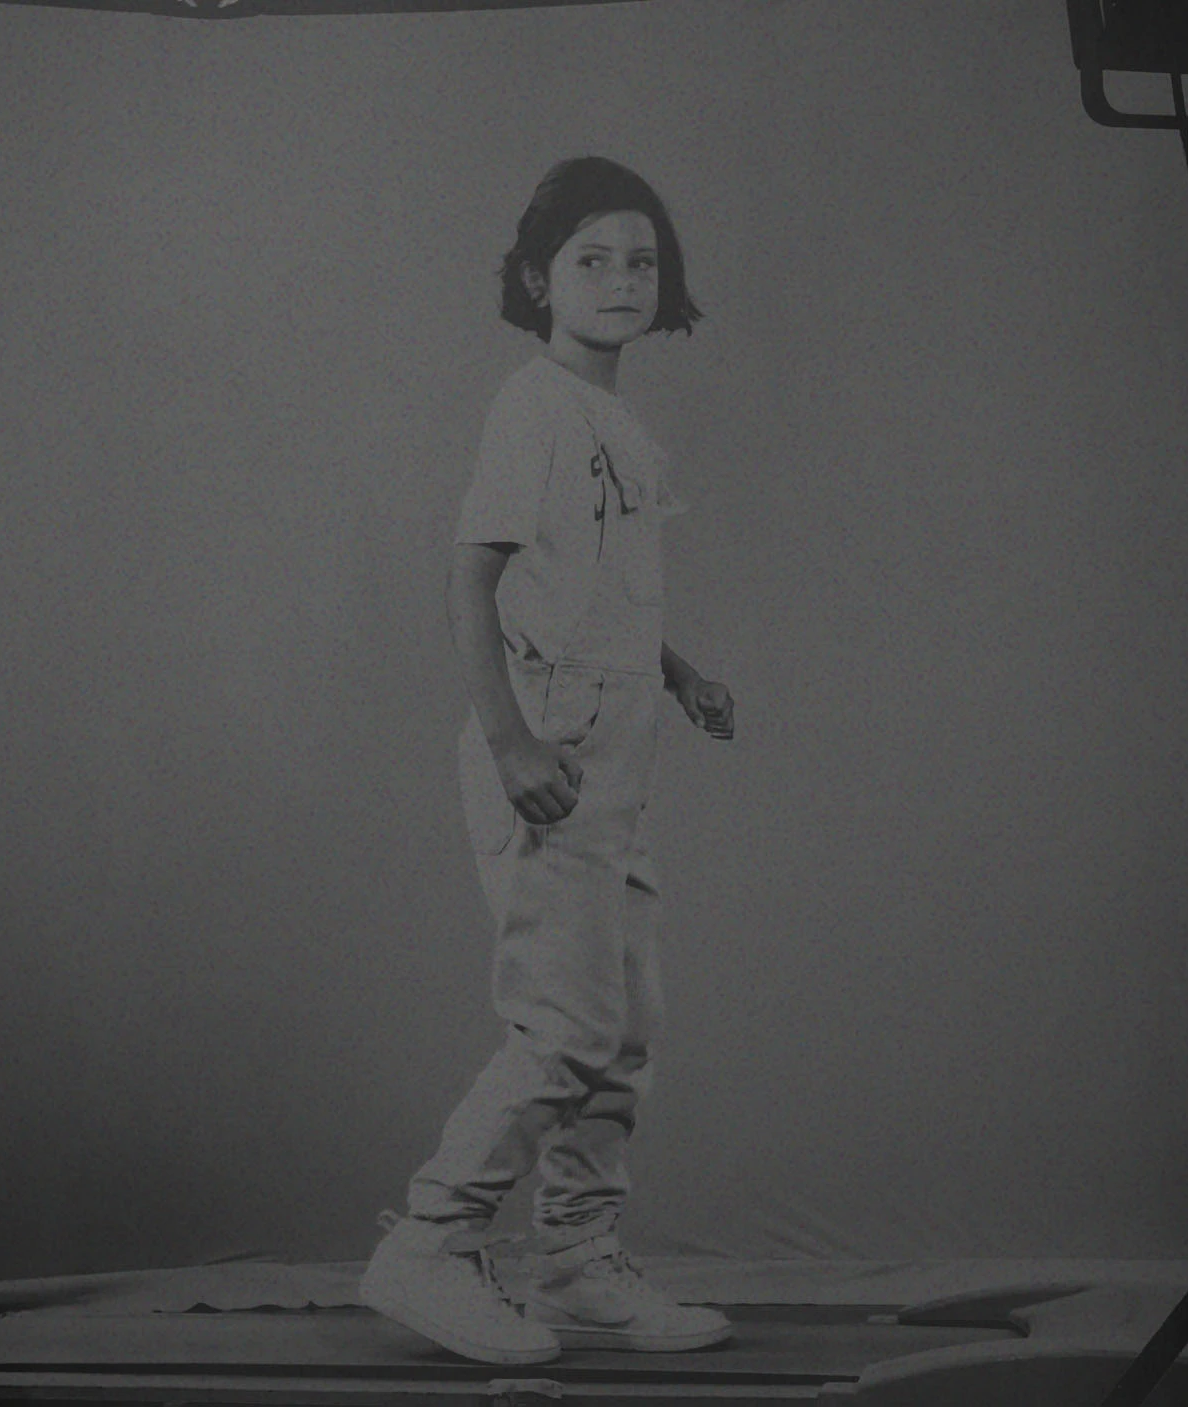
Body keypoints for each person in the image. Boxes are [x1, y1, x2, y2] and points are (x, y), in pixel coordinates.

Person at [357, 157, 741, 1366]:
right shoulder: (532, 404)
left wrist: (679, 674)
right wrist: (514, 739)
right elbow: (472, 580)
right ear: (537, 279)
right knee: (564, 1029)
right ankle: (426, 1244)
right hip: (555, 749)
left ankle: (575, 1261)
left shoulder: (611, 417)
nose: (623, 281)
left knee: (626, 1026)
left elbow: (588, 588)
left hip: (620, 749)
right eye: (592, 261)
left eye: (642, 261)